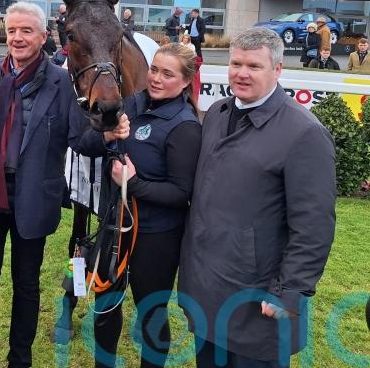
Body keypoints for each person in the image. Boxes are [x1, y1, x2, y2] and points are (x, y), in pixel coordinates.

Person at [178, 27, 336, 368]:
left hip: (257, 297)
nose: (242, 73)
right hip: (208, 288)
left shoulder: (304, 133)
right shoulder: (217, 113)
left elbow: (313, 227)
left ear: (277, 70)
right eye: (236, 64)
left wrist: (289, 292)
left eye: (254, 66)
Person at [0, 2, 81, 368]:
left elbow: (80, 136)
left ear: (44, 37)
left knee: (26, 282)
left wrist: (111, 131)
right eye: (12, 30)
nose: (17, 37)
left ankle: (20, 358)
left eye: (26, 31)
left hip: (34, 197)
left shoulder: (63, 82)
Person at [76, 43, 201, 368]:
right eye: (154, 69)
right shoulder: (129, 103)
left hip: (156, 238)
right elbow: (84, 144)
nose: (156, 78)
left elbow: (181, 194)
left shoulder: (185, 126)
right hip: (113, 227)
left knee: (151, 314)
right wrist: (107, 135)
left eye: (168, 74)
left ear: (185, 81)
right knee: (105, 308)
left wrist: (132, 183)